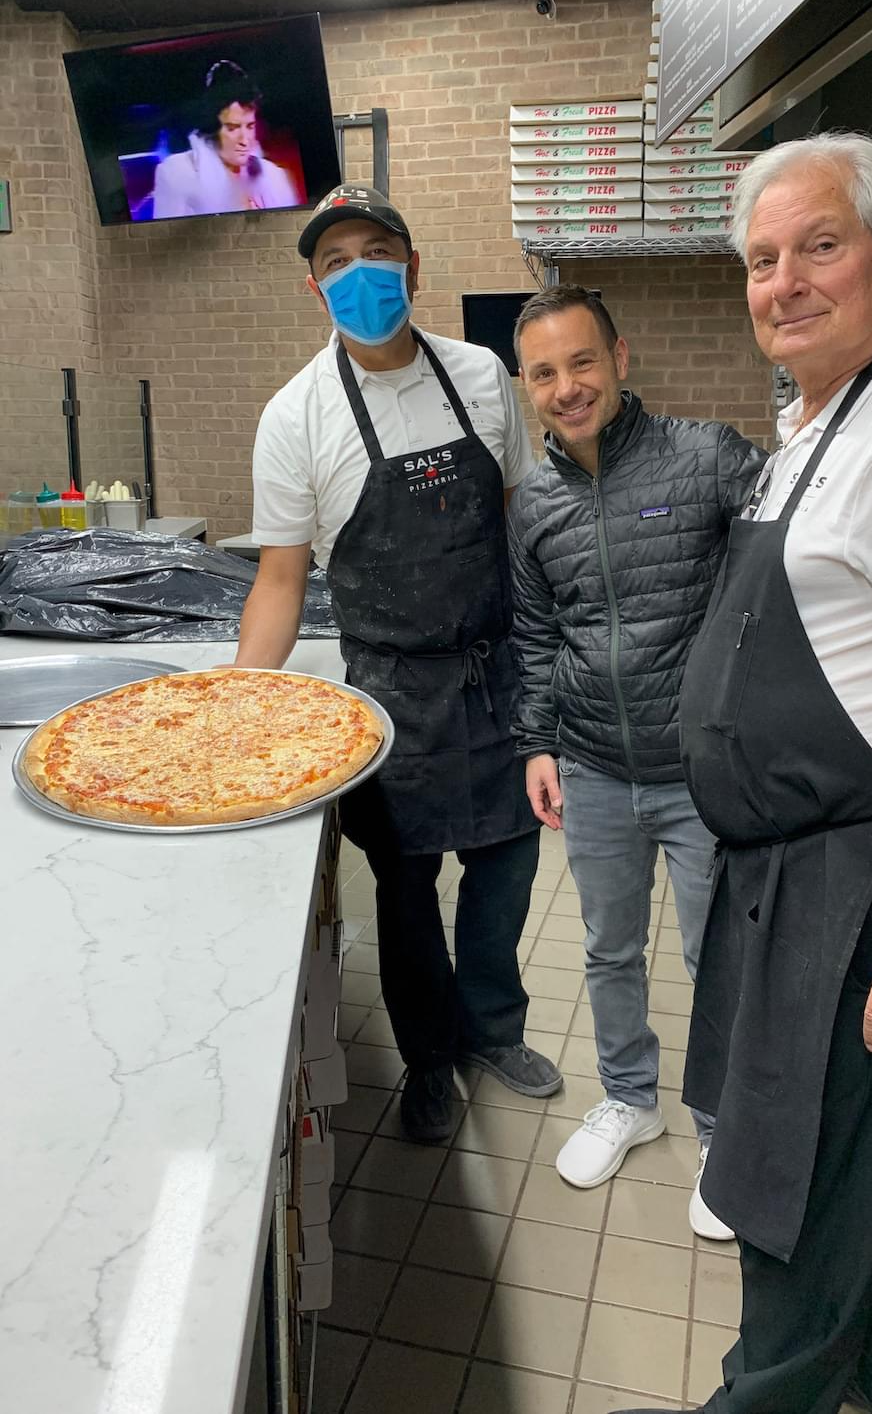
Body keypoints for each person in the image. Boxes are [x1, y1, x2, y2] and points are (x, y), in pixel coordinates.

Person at [613, 132, 872, 1414]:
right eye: (761, 259)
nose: (782, 282)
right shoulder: (824, 419)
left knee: (797, 1215)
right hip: (802, 874)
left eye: (818, 247)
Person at [236, 183, 561, 1143]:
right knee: (407, 895)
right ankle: (428, 1057)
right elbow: (281, 582)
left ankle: (493, 1029)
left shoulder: (480, 374)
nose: (360, 274)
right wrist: (236, 704)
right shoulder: (295, 416)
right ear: (314, 288)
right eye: (335, 262)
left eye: (376, 252)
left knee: (505, 875)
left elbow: (521, 522)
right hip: (390, 700)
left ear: (413, 266)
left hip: (498, 677)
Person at [509, 285, 766, 1232]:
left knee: (715, 956)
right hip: (593, 766)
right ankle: (628, 1097)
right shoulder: (534, 504)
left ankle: (723, 1130)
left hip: (700, 774)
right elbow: (535, 634)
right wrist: (538, 743)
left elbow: (791, 574)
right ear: (527, 386)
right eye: (545, 372)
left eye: (582, 361)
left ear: (619, 358)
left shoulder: (707, 458)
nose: (568, 387)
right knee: (608, 947)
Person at [151, 59, 299, 218]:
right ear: (212, 128)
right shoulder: (176, 173)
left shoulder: (274, 176)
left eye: (250, 126)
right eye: (233, 128)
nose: (245, 140)